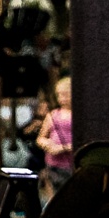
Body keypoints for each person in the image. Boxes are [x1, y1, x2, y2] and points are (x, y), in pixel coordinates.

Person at [35, 77, 73, 205]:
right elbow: (40, 138)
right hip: (54, 165)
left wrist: (64, 147)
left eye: (66, 95)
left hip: (71, 164)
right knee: (55, 199)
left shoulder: (78, 115)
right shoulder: (53, 115)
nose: (62, 98)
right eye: (59, 95)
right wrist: (48, 144)